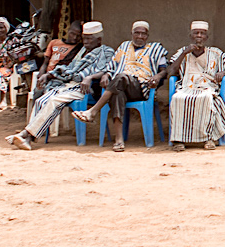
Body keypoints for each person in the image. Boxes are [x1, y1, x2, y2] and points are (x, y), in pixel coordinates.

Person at [5, 22, 114, 150]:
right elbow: (69, 68)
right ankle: (26, 135)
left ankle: (26, 136)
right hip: (69, 84)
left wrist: (90, 77)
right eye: (84, 38)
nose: (85, 41)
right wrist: (50, 75)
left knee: (53, 100)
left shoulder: (106, 51)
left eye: (89, 38)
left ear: (99, 39)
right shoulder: (82, 52)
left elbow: (108, 70)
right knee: (41, 100)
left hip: (86, 88)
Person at [71, 21, 169, 151]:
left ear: (147, 35)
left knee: (120, 78)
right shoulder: (124, 46)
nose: (139, 36)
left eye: (143, 34)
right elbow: (112, 66)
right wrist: (106, 74)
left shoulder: (156, 48)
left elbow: (164, 70)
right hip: (119, 85)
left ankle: (93, 111)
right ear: (131, 34)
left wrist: (157, 76)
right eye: (136, 33)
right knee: (118, 93)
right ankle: (119, 140)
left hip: (140, 86)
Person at [166, 21, 225, 151]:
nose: (199, 36)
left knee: (206, 98)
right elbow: (171, 72)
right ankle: (179, 140)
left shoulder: (215, 53)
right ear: (191, 36)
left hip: (208, 87)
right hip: (187, 87)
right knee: (177, 98)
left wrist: (224, 72)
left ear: (206, 37)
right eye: (196, 33)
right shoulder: (183, 52)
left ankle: (208, 138)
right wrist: (184, 53)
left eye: (202, 33)